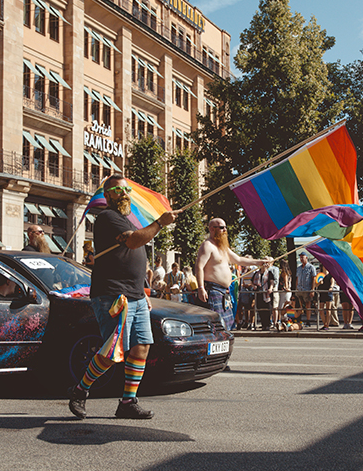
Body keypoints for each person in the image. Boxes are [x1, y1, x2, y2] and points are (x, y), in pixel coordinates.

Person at [68, 175, 177, 420]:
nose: (125, 193)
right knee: (111, 352)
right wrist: (160, 222)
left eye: (127, 189)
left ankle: (127, 402)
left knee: (141, 347)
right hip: (113, 296)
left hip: (135, 296)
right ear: (107, 195)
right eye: (118, 190)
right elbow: (133, 241)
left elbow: (132, 260)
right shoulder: (107, 217)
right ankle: (80, 390)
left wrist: (142, 292)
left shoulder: (126, 219)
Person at [195, 218, 269, 331]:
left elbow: (238, 259)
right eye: (221, 227)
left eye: (225, 227)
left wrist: (259, 262)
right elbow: (199, 267)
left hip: (224, 291)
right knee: (216, 325)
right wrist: (201, 288)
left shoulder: (223, 247)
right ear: (212, 229)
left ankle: (222, 346)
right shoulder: (207, 246)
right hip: (213, 290)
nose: (225, 230)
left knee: (226, 325)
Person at [251, 260, 275, 330]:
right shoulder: (256, 273)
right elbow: (252, 281)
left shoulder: (269, 273)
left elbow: (272, 281)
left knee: (267, 309)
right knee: (260, 309)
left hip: (266, 293)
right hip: (259, 293)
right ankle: (263, 324)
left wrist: (270, 288)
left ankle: (267, 324)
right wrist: (253, 286)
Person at [295, 252, 317, 326]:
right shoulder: (299, 268)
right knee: (299, 305)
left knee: (308, 305)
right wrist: (296, 288)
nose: (301, 259)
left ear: (306, 257)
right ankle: (299, 320)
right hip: (299, 289)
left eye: (303, 257)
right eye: (300, 257)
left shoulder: (311, 267)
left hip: (307, 289)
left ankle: (308, 320)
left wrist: (312, 289)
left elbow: (314, 278)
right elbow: (297, 278)